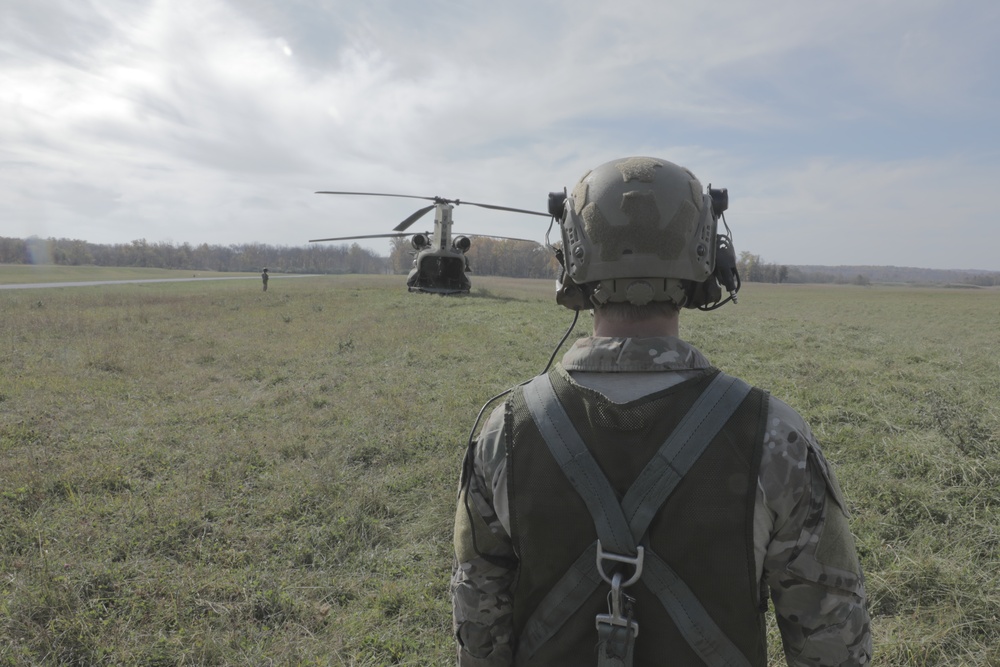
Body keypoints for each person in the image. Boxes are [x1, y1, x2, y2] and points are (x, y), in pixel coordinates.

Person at [451, 157, 872, 666]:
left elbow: (478, 620)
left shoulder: (505, 433)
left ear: (573, 258)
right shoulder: (775, 436)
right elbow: (833, 637)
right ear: (705, 257)